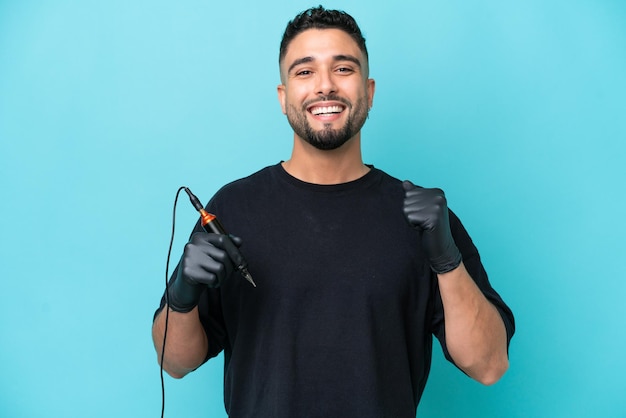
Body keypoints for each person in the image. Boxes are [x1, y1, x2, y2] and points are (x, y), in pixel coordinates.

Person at [152, 6, 515, 417]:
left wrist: (447, 261)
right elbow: (175, 363)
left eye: (343, 69)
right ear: (283, 96)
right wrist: (181, 295)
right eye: (304, 72)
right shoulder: (231, 209)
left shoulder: (423, 217)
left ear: (369, 91)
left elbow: (489, 365)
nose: (325, 86)